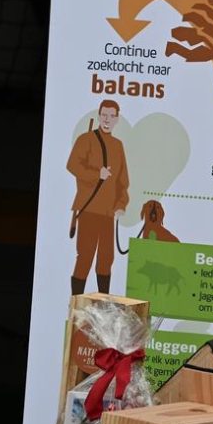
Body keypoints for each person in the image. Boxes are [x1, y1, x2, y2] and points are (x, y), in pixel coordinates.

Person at [66, 100, 130, 295]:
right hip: (89, 208)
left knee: (106, 258)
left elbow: (122, 180)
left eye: (111, 116)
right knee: (85, 256)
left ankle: (103, 301)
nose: (107, 120)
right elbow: (72, 165)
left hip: (108, 212)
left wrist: (121, 204)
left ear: (117, 119)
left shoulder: (118, 145)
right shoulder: (86, 139)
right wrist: (97, 174)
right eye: (104, 115)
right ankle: (76, 301)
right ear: (99, 115)